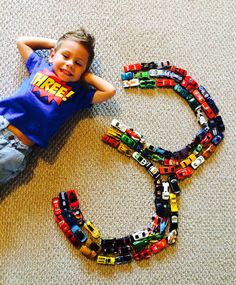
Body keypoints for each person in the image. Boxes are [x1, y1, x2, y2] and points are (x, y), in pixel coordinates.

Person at [0, 28, 116, 185]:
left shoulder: (79, 95)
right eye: (66, 56)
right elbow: (22, 42)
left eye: (78, 63)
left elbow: (109, 91)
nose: (69, 64)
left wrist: (86, 75)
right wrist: (58, 45)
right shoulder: (39, 67)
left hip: (15, 149)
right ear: (52, 54)